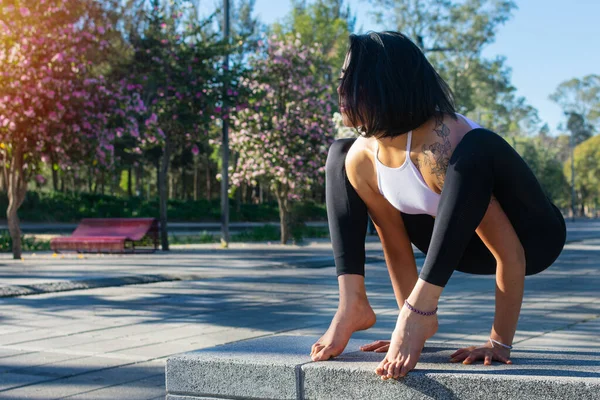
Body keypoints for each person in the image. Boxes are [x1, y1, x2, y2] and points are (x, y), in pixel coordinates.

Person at [310, 31, 566, 380]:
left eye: (353, 82)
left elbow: (511, 255)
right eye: (342, 80)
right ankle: (352, 303)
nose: (342, 91)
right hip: (459, 243)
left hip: (532, 238)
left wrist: (499, 343)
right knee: (338, 153)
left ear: (386, 85)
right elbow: (395, 245)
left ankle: (421, 310)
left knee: (478, 146)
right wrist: (410, 323)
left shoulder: (441, 148)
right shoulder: (362, 158)